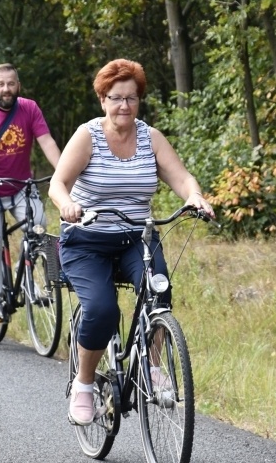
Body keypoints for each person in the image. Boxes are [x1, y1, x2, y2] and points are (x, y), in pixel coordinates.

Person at [48, 58, 214, 426]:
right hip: (86, 240)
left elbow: (181, 177)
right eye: (116, 98)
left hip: (136, 239)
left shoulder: (150, 137)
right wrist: (68, 204)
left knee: (160, 292)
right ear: (102, 100)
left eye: (132, 98)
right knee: (103, 310)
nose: (124, 106)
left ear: (139, 100)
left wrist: (195, 197)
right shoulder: (87, 136)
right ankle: (85, 384)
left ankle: (154, 369)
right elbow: (57, 184)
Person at [0, 63, 61, 324]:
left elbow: (47, 141)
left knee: (39, 227)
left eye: (11, 83)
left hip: (19, 185)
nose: (6, 89)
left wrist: (63, 172)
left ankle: (25, 275)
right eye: (1, 84)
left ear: (18, 85)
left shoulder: (29, 108)